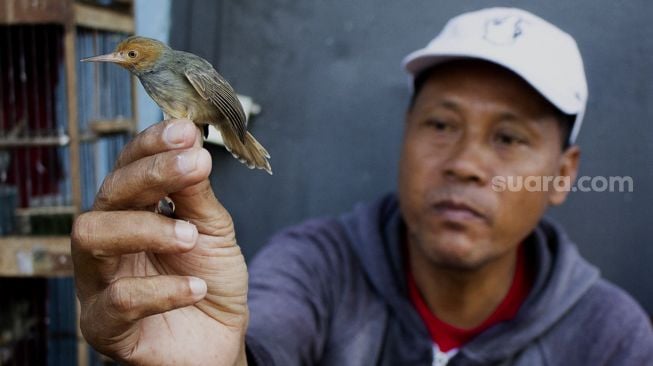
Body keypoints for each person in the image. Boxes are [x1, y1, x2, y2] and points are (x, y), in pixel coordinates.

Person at [71, 7, 653, 366]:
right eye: (443, 124)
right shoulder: (315, 268)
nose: (467, 165)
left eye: (509, 138)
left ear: (564, 173)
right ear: (406, 133)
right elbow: (260, 328)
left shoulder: (615, 340)